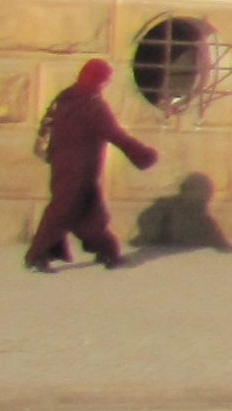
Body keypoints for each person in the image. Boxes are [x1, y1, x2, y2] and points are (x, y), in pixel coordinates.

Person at [27, 57, 158, 270]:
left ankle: (107, 252)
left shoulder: (65, 97)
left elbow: (47, 126)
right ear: (99, 80)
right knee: (63, 210)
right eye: (105, 80)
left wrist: (52, 154)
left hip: (62, 165)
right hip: (80, 167)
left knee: (89, 212)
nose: (106, 84)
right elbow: (115, 135)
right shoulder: (92, 105)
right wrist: (143, 156)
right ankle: (37, 255)